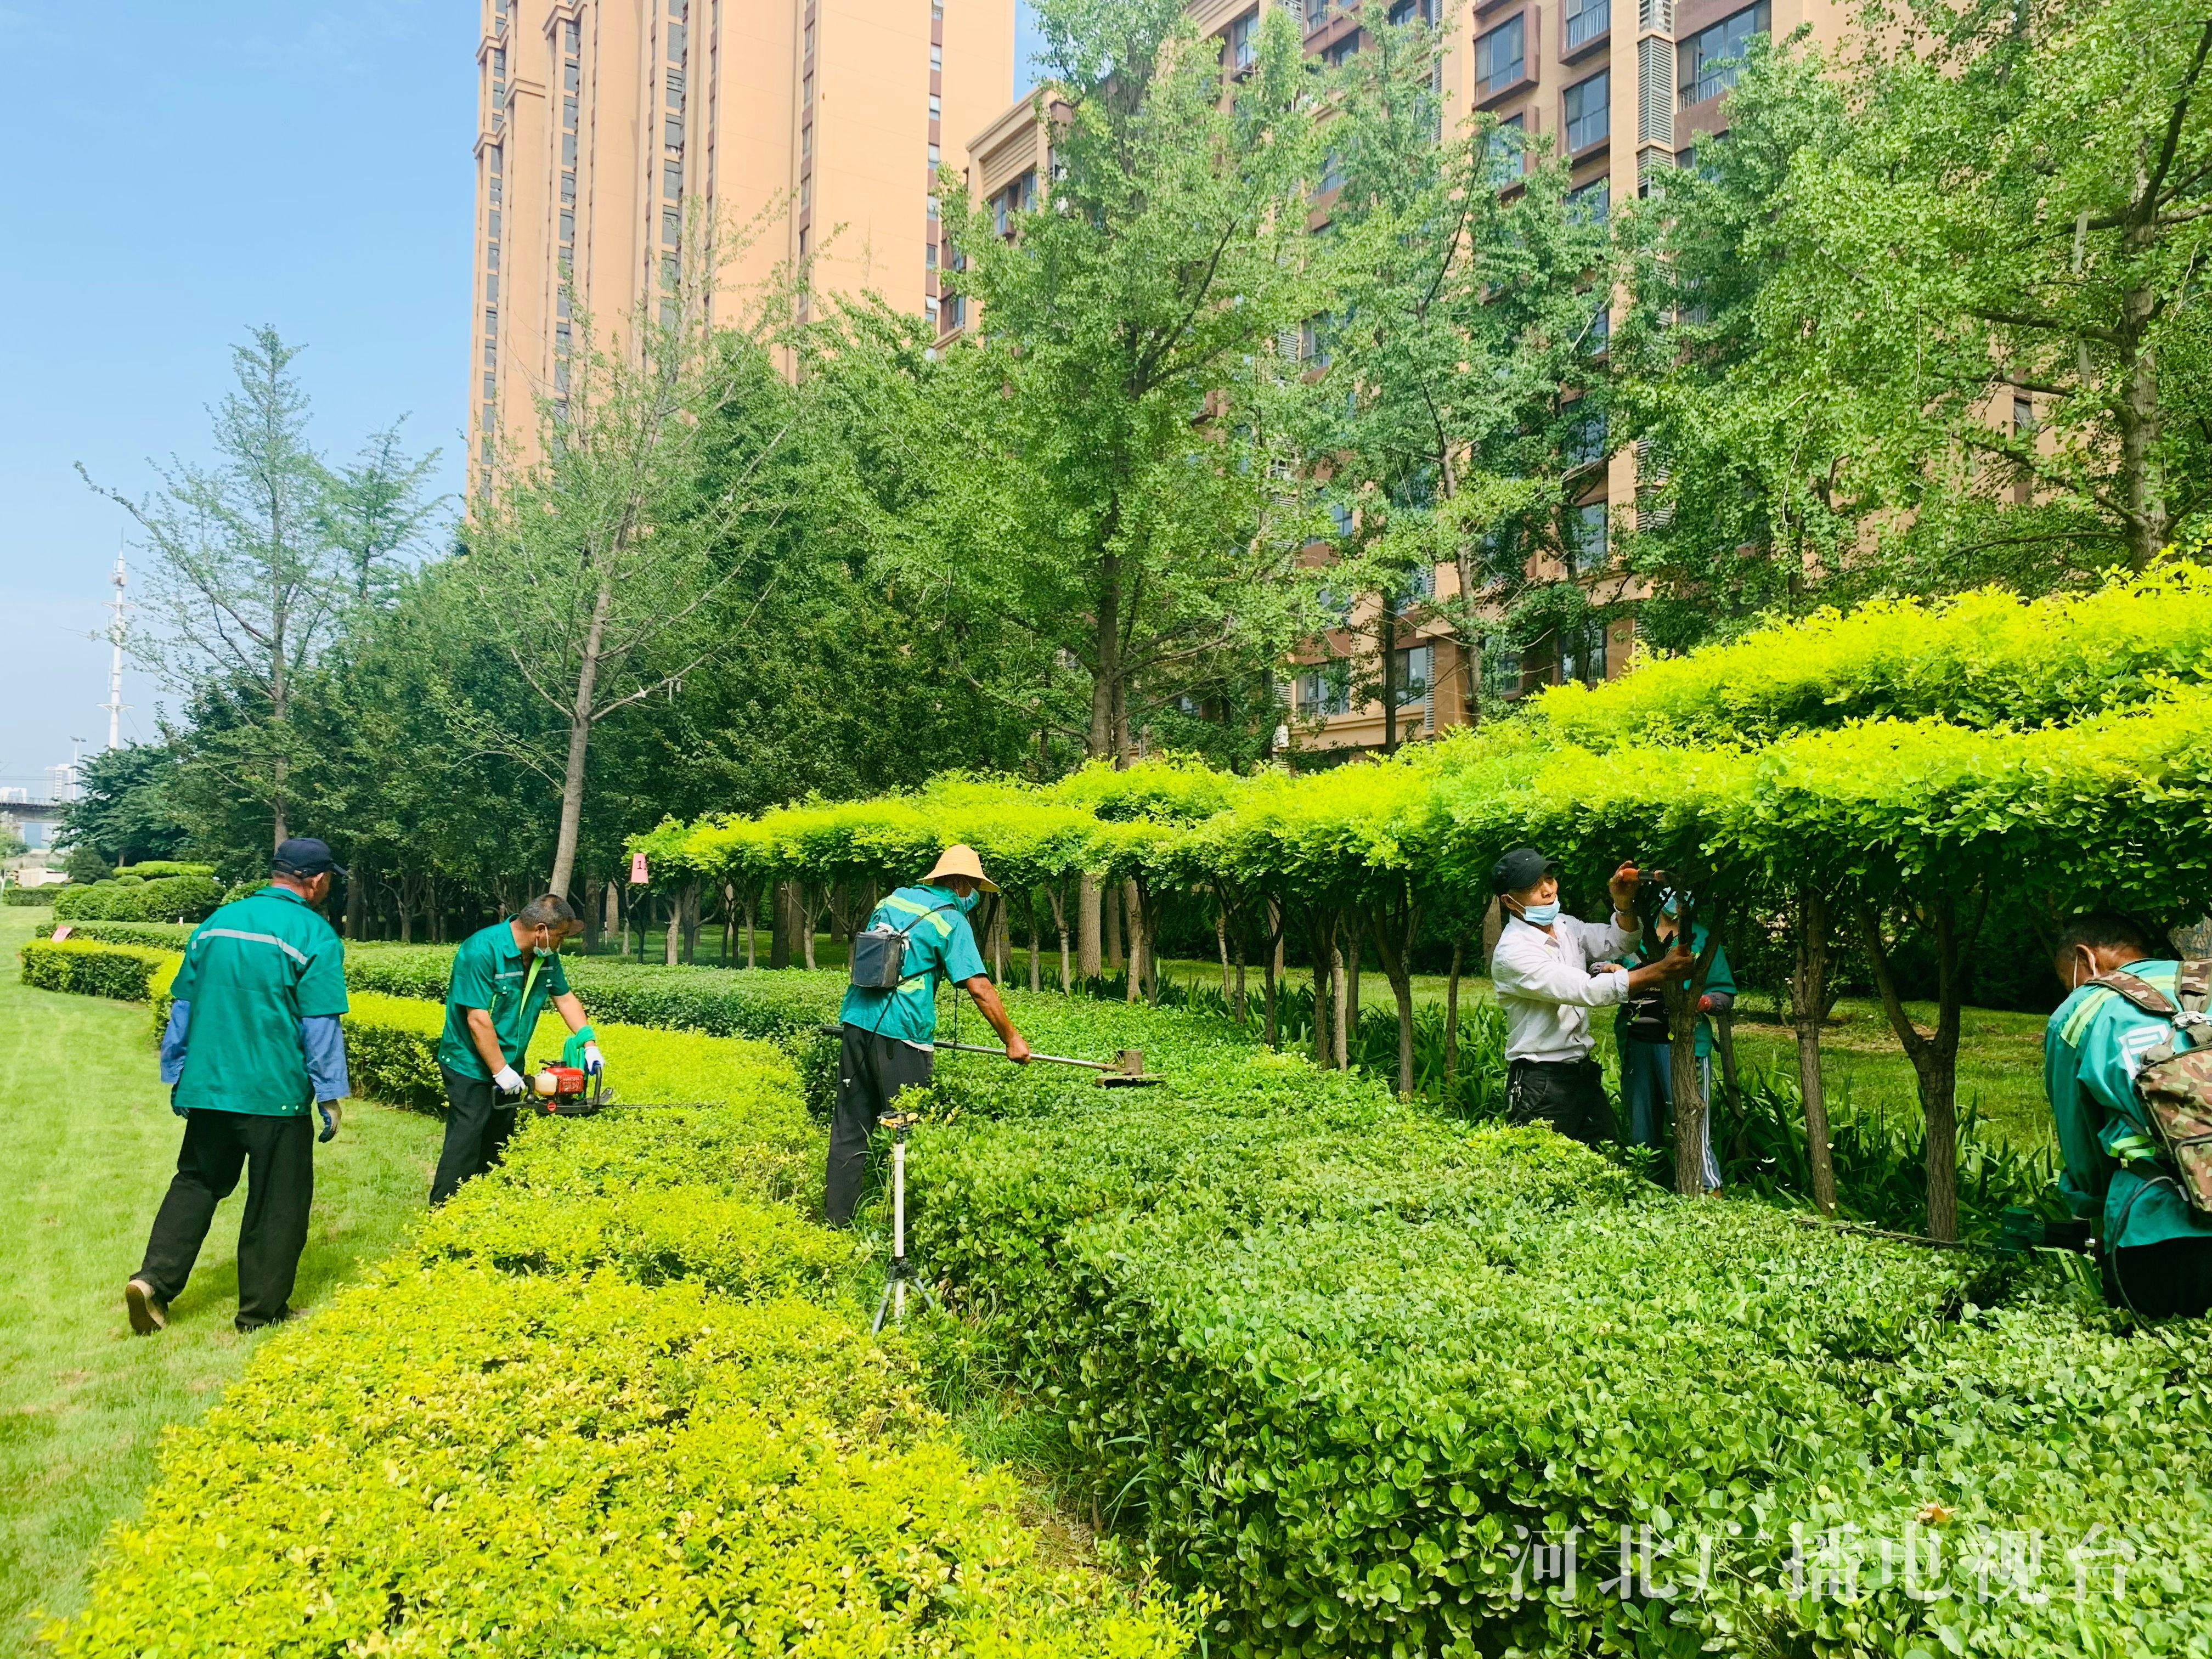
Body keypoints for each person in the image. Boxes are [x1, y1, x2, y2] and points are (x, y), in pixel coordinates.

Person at [125, 838, 352, 1335]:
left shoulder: (216, 924)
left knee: (196, 1183)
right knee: (278, 1201)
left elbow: (182, 1008)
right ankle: (260, 1313)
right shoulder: (315, 935)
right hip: (277, 1094)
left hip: (209, 1087)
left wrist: (178, 1074)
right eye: (329, 879)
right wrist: (331, 1094)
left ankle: (152, 1283)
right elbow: (320, 1028)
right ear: (315, 881)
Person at [826, 845, 1031, 1227]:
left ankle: (838, 1222)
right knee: (908, 1131)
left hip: (857, 1021)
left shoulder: (891, 900)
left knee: (850, 1126)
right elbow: (980, 988)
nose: (971, 896)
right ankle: (907, 1232)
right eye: (970, 887)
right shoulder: (951, 921)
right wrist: (1012, 1039)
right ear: (958, 883)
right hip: (902, 1033)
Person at [2046, 909, 2212, 1319]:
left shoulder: (2080, 1012)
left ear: (2087, 959)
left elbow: (2080, 1140)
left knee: (2161, 1369)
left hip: (2156, 1227)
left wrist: (2093, 1210)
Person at [1487, 847, 1692, 1147]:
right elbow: (1589, 990)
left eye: (1549, 878)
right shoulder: (1514, 952)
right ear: (1508, 901)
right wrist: (1660, 971)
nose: (1547, 890)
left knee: (1603, 1159)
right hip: (1540, 1082)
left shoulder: (1564, 925)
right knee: (1543, 1175)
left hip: (1582, 1076)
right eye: (1533, 887)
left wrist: (1623, 904)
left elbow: (1620, 941)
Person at [431, 893, 602, 1205]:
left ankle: (486, 1207)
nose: (562, 943)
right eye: (561, 935)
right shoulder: (481, 950)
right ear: (541, 930)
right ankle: (442, 1214)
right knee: (467, 1138)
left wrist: (589, 1043)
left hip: (510, 1062)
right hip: (468, 1063)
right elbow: (478, 1019)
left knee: (498, 1140)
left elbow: (563, 997)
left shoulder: (545, 956)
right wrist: (499, 1071)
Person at [1616, 898, 1736, 1187]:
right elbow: (1606, 975)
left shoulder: (1702, 938)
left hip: (1685, 1046)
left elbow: (1725, 995)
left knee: (1692, 1124)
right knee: (1641, 1130)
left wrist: (1704, 1001)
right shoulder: (1633, 936)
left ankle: (1708, 1190)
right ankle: (1644, 1188)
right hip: (1637, 1044)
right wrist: (1607, 971)